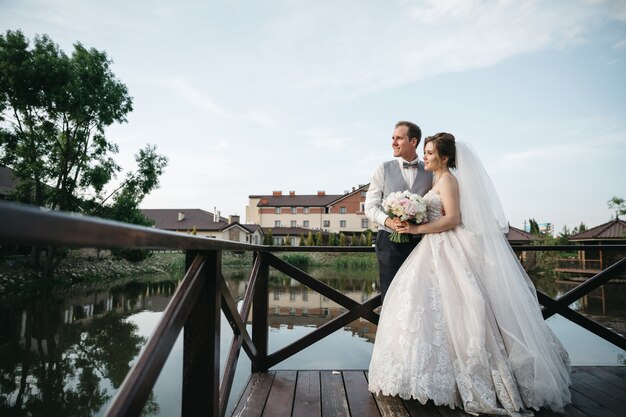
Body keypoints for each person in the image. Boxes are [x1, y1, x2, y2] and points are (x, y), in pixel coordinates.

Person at [368, 133, 571, 416]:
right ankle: (429, 374)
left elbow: (453, 219)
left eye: (429, 153)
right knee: (428, 309)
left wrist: (414, 228)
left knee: (462, 307)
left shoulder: (448, 180)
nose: (425, 157)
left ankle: (472, 377)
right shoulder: (438, 180)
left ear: (445, 157)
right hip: (435, 247)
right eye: (424, 152)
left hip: (449, 247)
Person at [364, 121, 433, 303]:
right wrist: (389, 221)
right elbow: (370, 206)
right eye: (393, 138)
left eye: (399, 138)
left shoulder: (431, 171)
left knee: (420, 298)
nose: (393, 142)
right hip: (389, 243)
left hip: (423, 243)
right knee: (392, 298)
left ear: (413, 141)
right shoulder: (382, 169)